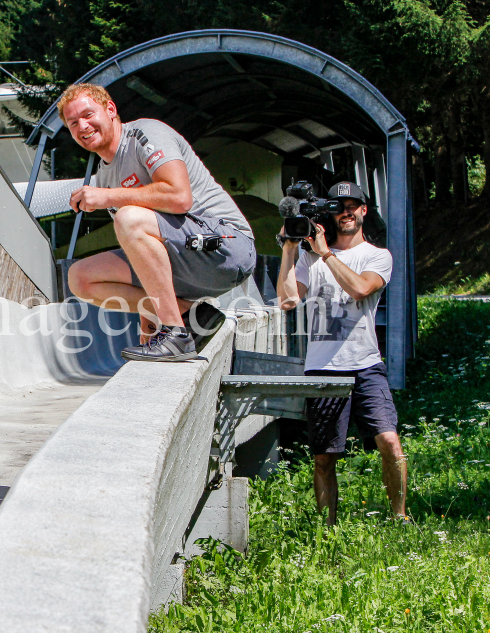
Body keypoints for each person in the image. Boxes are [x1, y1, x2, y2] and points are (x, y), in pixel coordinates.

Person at [57, 83, 257, 361]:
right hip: (183, 263)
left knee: (129, 217)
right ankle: (184, 315)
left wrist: (106, 197)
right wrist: (149, 318)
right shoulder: (104, 177)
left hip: (226, 247)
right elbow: (142, 249)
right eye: (73, 122)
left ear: (111, 109)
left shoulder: (145, 134)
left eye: (89, 114)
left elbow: (179, 197)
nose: (83, 126)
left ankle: (176, 334)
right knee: (80, 278)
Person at [276, 181, 407, 525]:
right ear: (331, 214)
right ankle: (327, 530)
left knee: (389, 441)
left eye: (353, 205)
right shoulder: (309, 257)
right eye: (339, 207)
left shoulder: (377, 256)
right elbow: (289, 300)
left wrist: (327, 255)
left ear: (364, 210)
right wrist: (290, 248)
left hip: (365, 364)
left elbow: (361, 288)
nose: (346, 212)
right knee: (323, 458)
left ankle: (400, 517)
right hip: (322, 366)